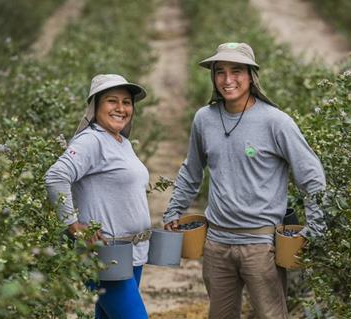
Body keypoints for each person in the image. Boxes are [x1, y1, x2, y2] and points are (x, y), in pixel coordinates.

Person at [163, 42, 327, 319]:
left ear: (251, 75)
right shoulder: (204, 119)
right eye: (220, 72)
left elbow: (311, 176)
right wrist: (174, 210)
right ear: (213, 77)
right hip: (215, 243)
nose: (228, 80)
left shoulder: (276, 122)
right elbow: (192, 171)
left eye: (236, 71)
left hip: (261, 245)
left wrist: (316, 227)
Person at [45, 74, 151, 319]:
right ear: (95, 106)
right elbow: (56, 176)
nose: (121, 108)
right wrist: (72, 225)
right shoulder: (91, 140)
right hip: (105, 255)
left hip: (130, 253)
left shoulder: (121, 142)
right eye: (112, 101)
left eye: (126, 102)